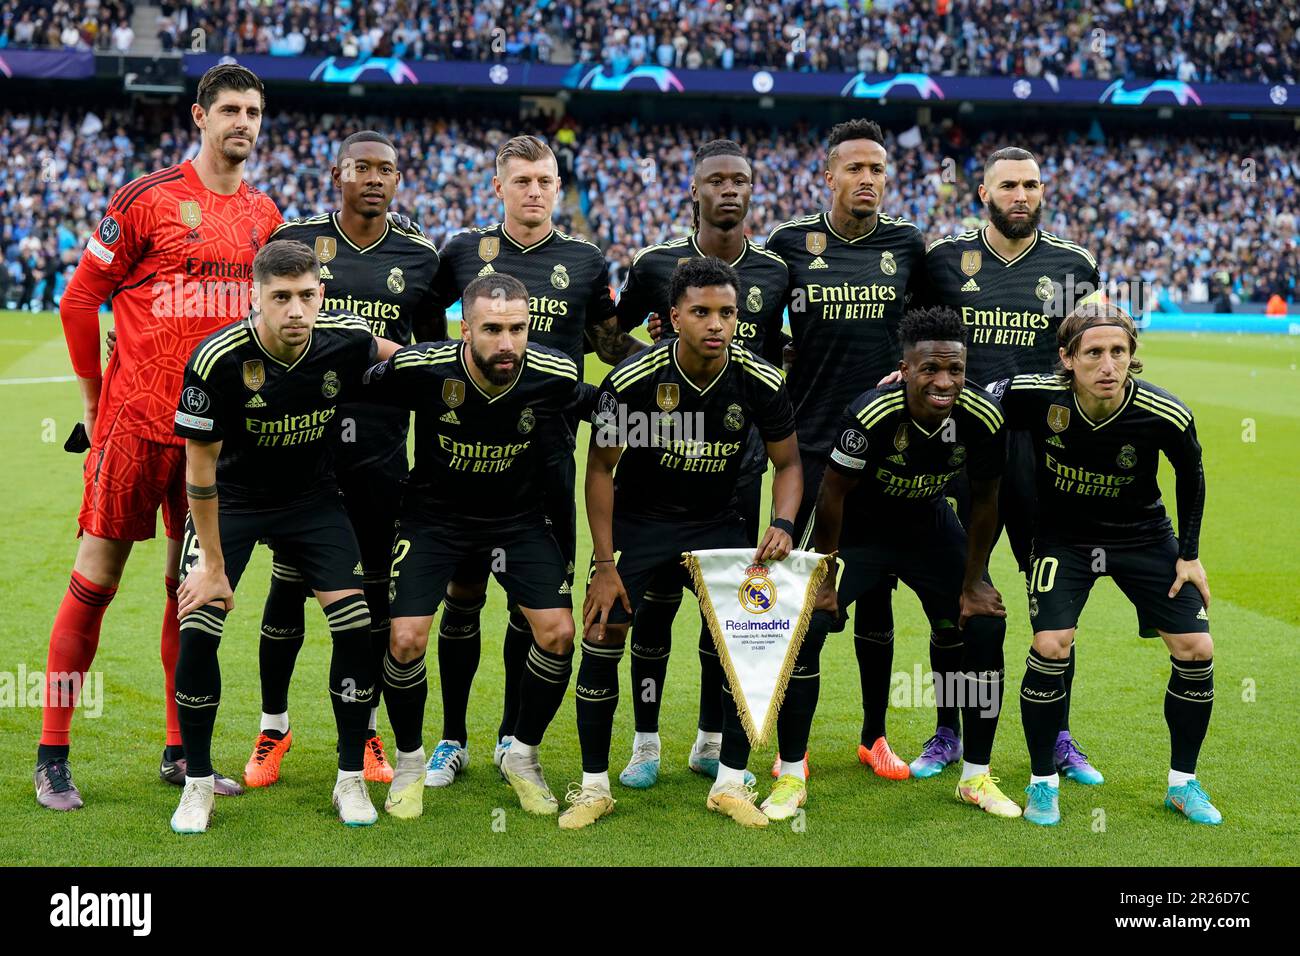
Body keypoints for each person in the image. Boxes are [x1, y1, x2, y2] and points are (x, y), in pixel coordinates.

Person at [35, 64, 282, 810]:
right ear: (199, 117)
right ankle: (52, 755)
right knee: (96, 579)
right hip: (134, 426)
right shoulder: (147, 200)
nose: (244, 121)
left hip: (213, 442)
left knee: (195, 593)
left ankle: (182, 752)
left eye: (255, 111)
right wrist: (92, 400)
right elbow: (80, 301)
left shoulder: (266, 217)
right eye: (231, 109)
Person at [419, 135, 643, 788]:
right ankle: (451, 738)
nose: (536, 191)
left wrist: (673, 361)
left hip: (546, 463)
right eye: (522, 181)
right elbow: (427, 324)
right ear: (499, 187)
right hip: (465, 462)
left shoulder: (584, 259)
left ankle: (514, 736)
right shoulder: (462, 252)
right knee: (461, 600)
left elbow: (607, 343)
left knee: (531, 608)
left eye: (546, 180)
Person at [169, 239, 401, 833]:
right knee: (198, 621)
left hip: (312, 502)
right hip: (233, 502)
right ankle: (196, 784)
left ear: (320, 294)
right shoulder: (217, 359)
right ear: (255, 297)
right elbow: (199, 472)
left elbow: (398, 357)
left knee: (356, 625)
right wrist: (213, 566)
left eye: (306, 296)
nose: (295, 310)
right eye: (281, 298)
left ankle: (350, 778)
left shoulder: (343, 339)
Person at [574, 256, 802, 830]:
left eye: (726, 312)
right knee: (604, 631)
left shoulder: (759, 379)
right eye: (701, 312)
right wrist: (604, 563)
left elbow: (789, 462)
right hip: (645, 524)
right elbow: (600, 469)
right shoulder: (632, 381)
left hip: (720, 524)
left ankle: (728, 783)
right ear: (674, 317)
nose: (716, 324)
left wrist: (784, 522)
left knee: (744, 640)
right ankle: (594, 786)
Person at [243, 130, 442, 790]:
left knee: (372, 600)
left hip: (382, 452)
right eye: (363, 168)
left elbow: (432, 359)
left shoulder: (420, 255)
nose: (376, 179)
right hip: (303, 446)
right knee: (289, 587)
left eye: (388, 169)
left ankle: (366, 733)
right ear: (338, 173)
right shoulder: (297, 243)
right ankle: (273, 725)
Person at [364, 273, 595, 819]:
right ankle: (412, 762)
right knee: (404, 639)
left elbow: (604, 407)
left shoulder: (552, 372)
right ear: (464, 329)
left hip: (517, 522)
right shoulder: (423, 368)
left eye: (518, 328)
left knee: (559, 633)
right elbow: (348, 379)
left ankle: (522, 756)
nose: (508, 343)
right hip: (435, 520)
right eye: (493, 329)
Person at [913, 145, 1104, 783]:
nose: (1020, 196)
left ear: (1043, 191)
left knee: (1050, 600)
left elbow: (1093, 351)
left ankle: (1057, 737)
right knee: (952, 593)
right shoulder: (944, 260)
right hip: (955, 450)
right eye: (1007, 186)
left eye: (1030, 185)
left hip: (1042, 455)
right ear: (983, 194)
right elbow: (912, 340)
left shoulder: (1072, 264)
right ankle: (948, 729)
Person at [991, 302, 1219, 826]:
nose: (1108, 365)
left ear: (1132, 356)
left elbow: (1192, 474)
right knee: (1050, 644)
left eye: (1119, 352)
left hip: (1142, 536)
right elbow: (979, 400)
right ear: (1068, 359)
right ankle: (1042, 782)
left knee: (1196, 647)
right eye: (1094, 353)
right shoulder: (1035, 395)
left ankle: (1183, 784)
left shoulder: (1165, 413)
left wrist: (1189, 555)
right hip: (1063, 538)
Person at [612, 138, 790, 788]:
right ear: (695, 189)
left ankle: (713, 739)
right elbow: (607, 333)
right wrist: (650, 358)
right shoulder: (657, 263)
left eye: (739, 179)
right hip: (659, 470)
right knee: (652, 610)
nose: (729, 190)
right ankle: (646, 742)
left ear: (750, 188)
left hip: (739, 477)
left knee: (726, 618)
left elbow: (789, 349)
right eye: (715, 180)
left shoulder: (773, 270)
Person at [811, 306, 1021, 819]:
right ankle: (791, 765)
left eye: (955, 370)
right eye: (930, 370)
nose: (944, 382)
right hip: (862, 529)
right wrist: (825, 572)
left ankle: (976, 776)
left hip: (927, 525)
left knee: (987, 625)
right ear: (905, 370)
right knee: (809, 621)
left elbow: (988, 500)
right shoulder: (873, 413)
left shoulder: (984, 416)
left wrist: (974, 581)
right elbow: (832, 492)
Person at [765, 118, 926, 781]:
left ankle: (874, 737)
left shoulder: (909, 247)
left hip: (887, 451)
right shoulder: (788, 245)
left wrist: (911, 362)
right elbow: (751, 319)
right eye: (855, 168)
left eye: (878, 170)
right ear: (826, 176)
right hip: (809, 448)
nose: (868, 179)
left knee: (878, 593)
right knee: (798, 601)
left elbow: (935, 331)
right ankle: (788, 751)